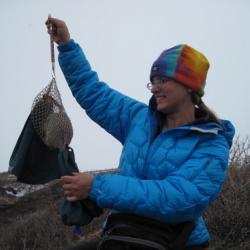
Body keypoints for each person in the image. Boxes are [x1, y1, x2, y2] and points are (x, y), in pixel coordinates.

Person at [46, 17, 235, 250]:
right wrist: (66, 46)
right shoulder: (140, 119)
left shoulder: (211, 144)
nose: (154, 87)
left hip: (177, 242)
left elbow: (177, 199)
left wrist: (96, 187)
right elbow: (94, 93)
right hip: (125, 233)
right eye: (152, 81)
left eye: (162, 80)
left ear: (190, 87)